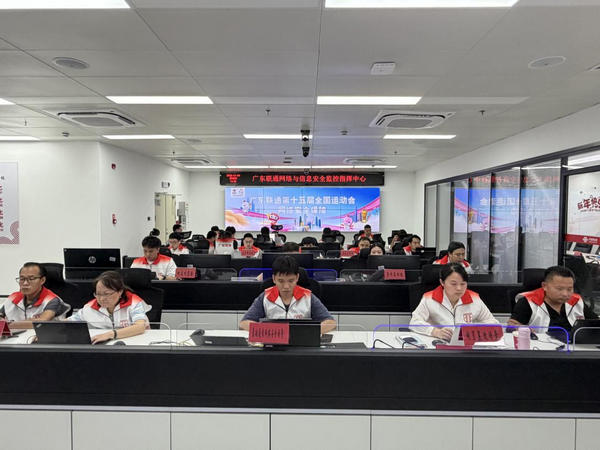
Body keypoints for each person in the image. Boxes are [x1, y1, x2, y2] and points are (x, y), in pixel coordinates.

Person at [239, 256, 336, 334]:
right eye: (281, 281)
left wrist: (307, 333)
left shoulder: (308, 296)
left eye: (291, 281)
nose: (286, 286)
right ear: (274, 279)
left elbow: (330, 323)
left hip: (301, 344)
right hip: (273, 344)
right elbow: (244, 323)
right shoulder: (265, 296)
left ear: (297, 278)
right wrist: (270, 332)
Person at [410, 263, 498, 340]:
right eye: (453, 284)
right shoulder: (429, 298)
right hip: (438, 344)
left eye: (463, 284)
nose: (459, 288)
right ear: (442, 282)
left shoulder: (474, 299)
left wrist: (475, 331)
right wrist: (434, 331)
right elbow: (414, 322)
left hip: (466, 346)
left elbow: (493, 323)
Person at [507, 266, 598, 334]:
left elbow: (595, 323)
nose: (565, 294)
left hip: (575, 348)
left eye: (569, 289)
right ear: (544, 286)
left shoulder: (576, 301)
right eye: (559, 289)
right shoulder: (528, 301)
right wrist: (519, 328)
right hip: (541, 348)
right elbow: (510, 326)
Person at [69, 271, 151, 344]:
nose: (101, 299)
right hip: (106, 346)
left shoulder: (134, 302)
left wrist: (110, 334)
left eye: (106, 294)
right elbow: (67, 322)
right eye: (98, 294)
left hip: (137, 342)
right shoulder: (89, 307)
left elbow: (140, 327)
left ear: (120, 292)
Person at [0, 262, 70, 328]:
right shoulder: (13, 297)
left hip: (43, 336)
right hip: (14, 335)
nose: (25, 283)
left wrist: (7, 325)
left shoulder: (52, 300)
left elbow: (41, 323)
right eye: (22, 279)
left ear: (42, 280)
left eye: (31, 279)